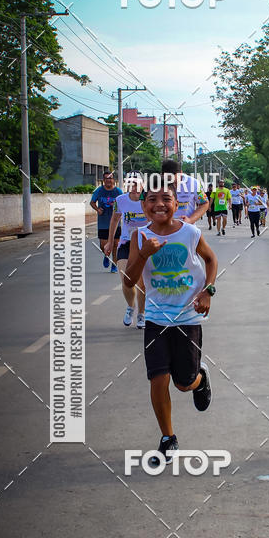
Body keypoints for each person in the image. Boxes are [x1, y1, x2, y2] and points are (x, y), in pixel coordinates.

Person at [125, 176, 218, 469]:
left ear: (176, 204)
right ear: (143, 206)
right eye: (152, 199)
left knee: (183, 383)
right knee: (158, 378)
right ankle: (168, 437)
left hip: (188, 318)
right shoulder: (139, 236)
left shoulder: (190, 232)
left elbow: (211, 260)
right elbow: (129, 279)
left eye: (166, 199)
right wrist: (143, 254)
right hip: (155, 318)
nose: (159, 204)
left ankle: (199, 379)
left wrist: (208, 291)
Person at [104, 173, 148, 328]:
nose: (134, 187)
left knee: (142, 283)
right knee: (126, 281)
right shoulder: (120, 200)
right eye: (131, 183)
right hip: (126, 243)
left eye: (137, 183)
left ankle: (141, 315)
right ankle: (131, 307)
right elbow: (115, 220)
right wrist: (110, 243)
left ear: (143, 184)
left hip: (144, 244)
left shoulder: (148, 200)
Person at [160, 159, 209, 225]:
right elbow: (144, 202)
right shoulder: (157, 184)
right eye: (167, 179)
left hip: (186, 227)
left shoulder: (193, 183)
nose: (171, 182)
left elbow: (204, 203)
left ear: (180, 173)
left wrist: (190, 220)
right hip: (164, 228)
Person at [91, 171, 122, 271]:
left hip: (116, 223)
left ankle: (114, 264)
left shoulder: (118, 191)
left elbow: (123, 203)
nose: (108, 180)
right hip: (103, 222)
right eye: (106, 178)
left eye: (110, 178)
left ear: (113, 180)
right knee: (103, 245)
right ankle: (106, 255)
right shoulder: (99, 191)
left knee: (116, 245)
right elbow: (92, 202)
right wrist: (97, 209)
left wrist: (117, 207)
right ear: (103, 180)